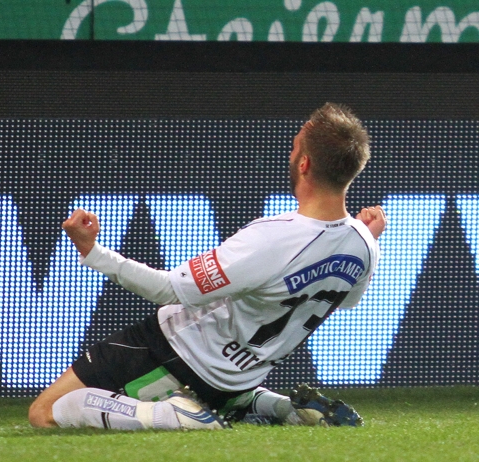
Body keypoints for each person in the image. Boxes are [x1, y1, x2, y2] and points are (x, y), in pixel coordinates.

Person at [29, 103, 387, 430]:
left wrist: (91, 251)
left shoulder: (274, 237)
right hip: (237, 381)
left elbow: (170, 290)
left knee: (46, 412)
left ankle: (174, 414)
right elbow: (347, 300)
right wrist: (365, 237)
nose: (291, 155)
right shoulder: (366, 244)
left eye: (295, 148)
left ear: (305, 164)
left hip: (175, 355)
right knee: (234, 383)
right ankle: (280, 408)